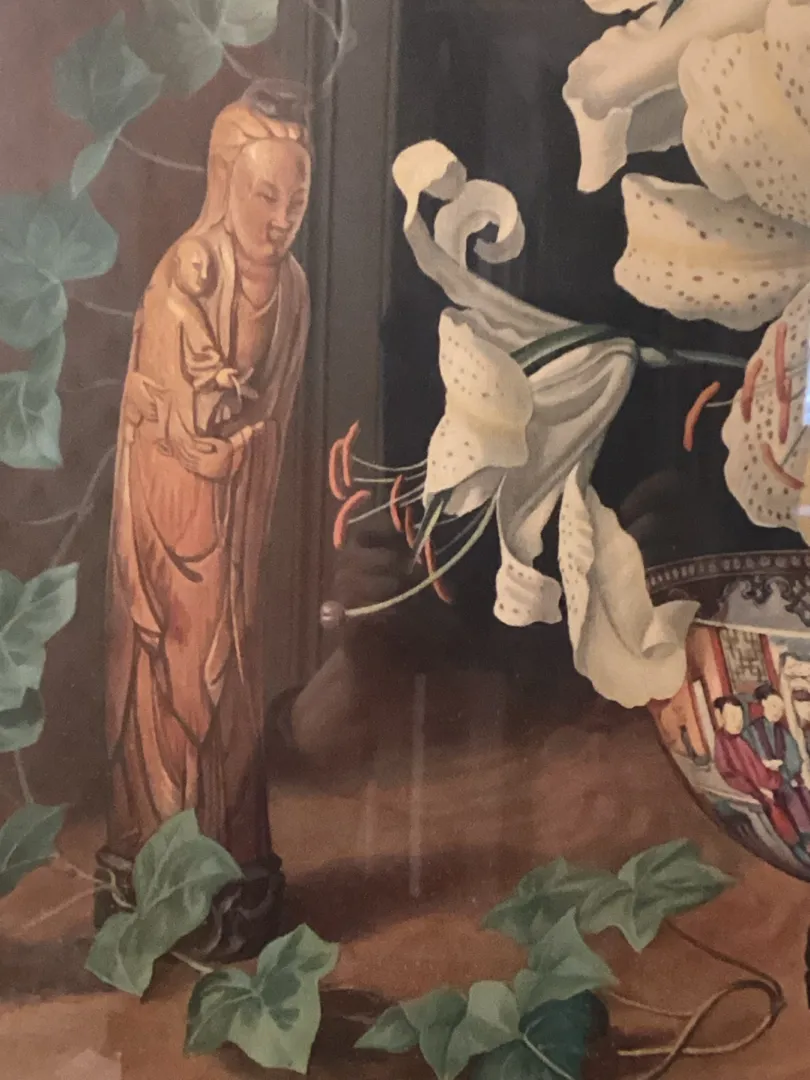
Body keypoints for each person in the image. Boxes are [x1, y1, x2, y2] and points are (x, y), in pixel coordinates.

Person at [102, 82, 313, 952]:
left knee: (233, 675)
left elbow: (277, 411)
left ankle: (230, 857)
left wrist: (246, 454)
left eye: (298, 198)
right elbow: (168, 425)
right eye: (265, 195)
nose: (281, 218)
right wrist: (209, 453)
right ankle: (163, 863)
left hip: (236, 520)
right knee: (178, 674)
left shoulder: (291, 288)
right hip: (177, 514)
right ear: (225, 182)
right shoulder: (186, 276)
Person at [746, 684, 810, 849]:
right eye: (774, 706)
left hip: (785, 778)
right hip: (763, 780)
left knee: (803, 793)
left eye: (781, 708)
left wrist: (785, 769)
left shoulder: (782, 731)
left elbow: (795, 757)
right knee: (789, 799)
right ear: (764, 703)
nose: (777, 711)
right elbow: (747, 759)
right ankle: (801, 841)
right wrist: (764, 764)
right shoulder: (751, 731)